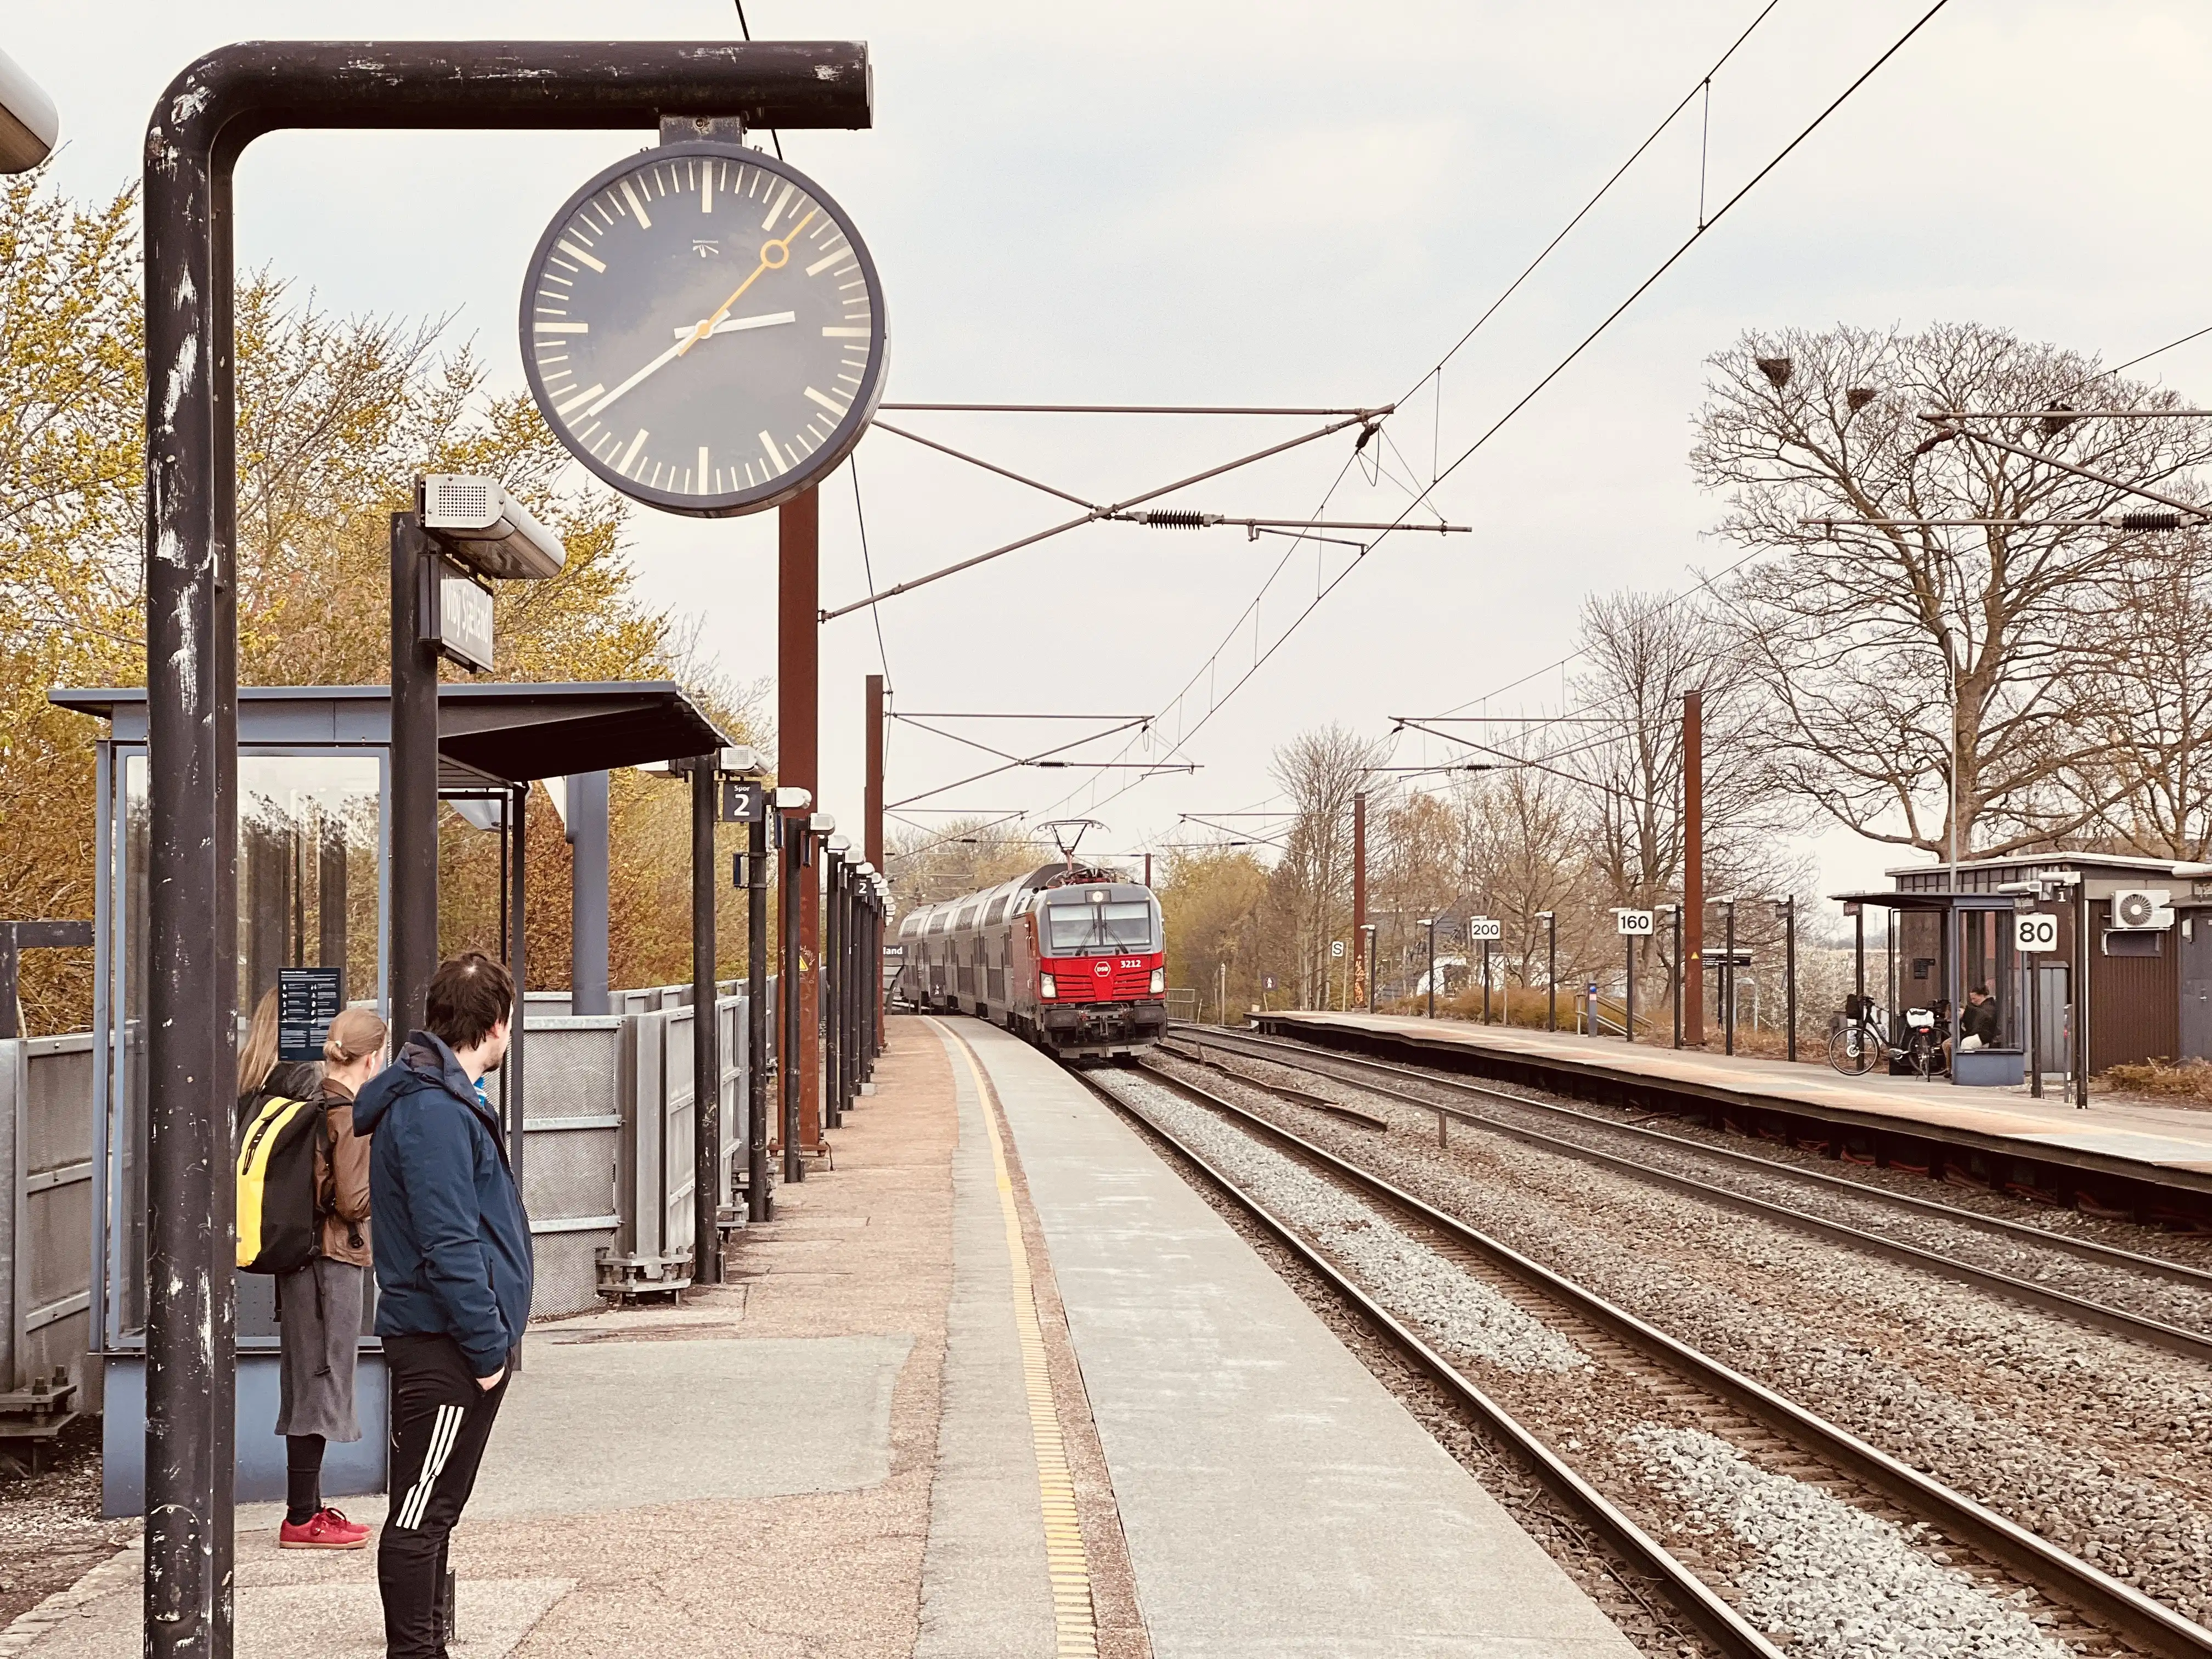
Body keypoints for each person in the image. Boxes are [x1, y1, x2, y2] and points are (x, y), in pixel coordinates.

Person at [353, 953, 532, 1659]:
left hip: (450, 1340)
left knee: (434, 1511)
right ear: (496, 1024)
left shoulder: (443, 1099)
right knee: (421, 1514)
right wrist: (487, 1349)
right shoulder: (433, 1111)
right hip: (446, 1344)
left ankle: (428, 1649)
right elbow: (448, 1241)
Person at [274, 1007, 386, 1551]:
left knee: (307, 1380)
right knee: (321, 1381)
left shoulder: (307, 1102)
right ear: (373, 1059)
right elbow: (353, 1201)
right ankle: (301, 1518)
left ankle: (309, 1509)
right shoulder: (348, 1115)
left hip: (301, 1260)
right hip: (331, 1262)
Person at [1959, 983, 2000, 1053]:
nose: (1972, 1001)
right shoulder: (1984, 1007)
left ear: (1981, 996)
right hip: (1983, 1035)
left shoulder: (1988, 1008)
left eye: (1974, 999)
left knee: (1966, 1043)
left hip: (1986, 1036)